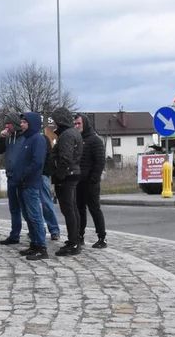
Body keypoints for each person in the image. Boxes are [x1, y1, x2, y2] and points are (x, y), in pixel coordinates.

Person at [14, 112, 50, 260]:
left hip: (31, 183)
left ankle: (41, 247)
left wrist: (24, 175)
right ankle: (34, 243)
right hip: (22, 184)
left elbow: (37, 162)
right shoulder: (27, 139)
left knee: (35, 216)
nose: (21, 124)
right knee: (28, 215)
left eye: (24, 122)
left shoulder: (38, 139)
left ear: (32, 123)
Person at [50, 107, 84, 256]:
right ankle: (75, 239)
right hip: (73, 172)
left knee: (68, 209)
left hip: (67, 175)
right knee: (73, 208)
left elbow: (65, 158)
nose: (55, 123)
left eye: (56, 120)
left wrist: (59, 175)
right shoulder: (74, 133)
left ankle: (73, 242)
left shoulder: (67, 135)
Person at [74, 113, 108, 248]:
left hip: (91, 182)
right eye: (75, 124)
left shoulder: (95, 140)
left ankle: (102, 237)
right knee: (79, 210)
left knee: (95, 209)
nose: (77, 126)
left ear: (85, 124)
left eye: (79, 124)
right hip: (78, 181)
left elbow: (100, 162)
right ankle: (79, 235)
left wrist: (93, 179)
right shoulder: (76, 139)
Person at [0, 114, 25, 245]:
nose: (6, 126)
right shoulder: (8, 138)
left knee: (27, 208)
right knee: (14, 208)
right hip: (11, 176)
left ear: (15, 124)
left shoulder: (24, 137)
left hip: (22, 178)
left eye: (9, 124)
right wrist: (2, 138)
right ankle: (15, 234)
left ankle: (35, 233)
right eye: (5, 123)